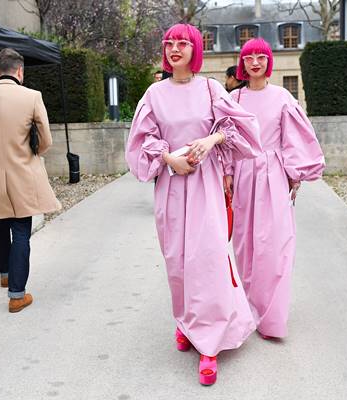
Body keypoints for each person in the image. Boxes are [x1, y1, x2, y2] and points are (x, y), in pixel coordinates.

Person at [125, 23, 261, 386]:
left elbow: (239, 129)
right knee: (178, 260)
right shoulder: (154, 94)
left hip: (206, 185)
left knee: (208, 259)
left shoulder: (211, 88)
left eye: (182, 43)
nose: (174, 49)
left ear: (195, 49)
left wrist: (211, 138)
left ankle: (211, 344)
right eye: (169, 43)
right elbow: (143, 140)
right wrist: (169, 159)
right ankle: (186, 320)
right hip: (172, 184)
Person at [228, 38, 325, 340]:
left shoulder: (283, 97)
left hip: (272, 173)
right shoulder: (235, 99)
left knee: (274, 244)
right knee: (245, 244)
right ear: (242, 63)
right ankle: (246, 307)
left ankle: (270, 315)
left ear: (268, 61)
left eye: (260, 56)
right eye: (248, 57)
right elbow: (227, 139)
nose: (254, 62)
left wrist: (294, 174)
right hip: (244, 173)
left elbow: (293, 138)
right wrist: (228, 173)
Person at [0, 48, 61, 313]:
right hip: (23, 174)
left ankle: (5, 273)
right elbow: (46, 140)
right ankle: (17, 295)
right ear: (20, 71)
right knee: (21, 231)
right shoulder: (32, 96)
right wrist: (30, 154)